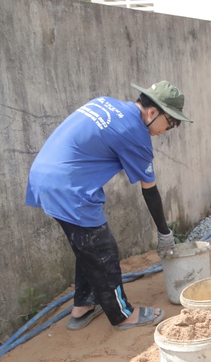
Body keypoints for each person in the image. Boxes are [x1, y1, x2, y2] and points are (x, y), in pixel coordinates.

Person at [25, 80, 192, 330]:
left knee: (88, 248)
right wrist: (164, 233)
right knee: (103, 252)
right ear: (153, 112)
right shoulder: (136, 134)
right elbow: (150, 191)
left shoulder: (106, 103)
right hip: (70, 189)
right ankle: (123, 314)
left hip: (44, 177)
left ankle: (83, 306)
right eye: (169, 123)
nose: (166, 131)